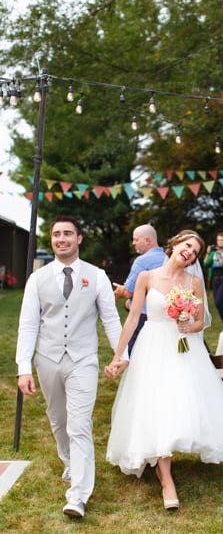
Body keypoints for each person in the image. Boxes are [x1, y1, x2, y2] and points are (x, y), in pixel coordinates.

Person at [104, 230, 223, 511]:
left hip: (182, 348)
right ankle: (166, 478)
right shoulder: (148, 277)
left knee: (177, 402)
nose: (190, 252)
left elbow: (199, 323)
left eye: (194, 251)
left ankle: (166, 458)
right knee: (154, 403)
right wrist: (118, 355)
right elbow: (133, 319)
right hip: (152, 346)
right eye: (187, 245)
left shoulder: (194, 282)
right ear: (174, 244)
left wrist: (186, 323)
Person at [15, 216, 126, 519]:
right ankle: (68, 459)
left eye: (67, 233)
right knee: (58, 419)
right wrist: (23, 367)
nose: (61, 238)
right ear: (51, 240)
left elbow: (111, 319)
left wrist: (121, 354)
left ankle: (77, 495)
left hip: (83, 360)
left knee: (79, 424)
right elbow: (27, 325)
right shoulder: (37, 279)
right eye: (56, 234)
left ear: (79, 239)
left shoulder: (98, 276)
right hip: (48, 359)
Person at [112, 224, 166, 353]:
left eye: (136, 239)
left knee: (133, 356)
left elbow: (129, 292)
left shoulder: (142, 261)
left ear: (147, 240)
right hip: (165, 318)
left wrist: (121, 291)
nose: (133, 243)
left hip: (143, 318)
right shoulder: (168, 258)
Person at [203, 232, 223, 323]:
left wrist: (221, 255)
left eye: (222, 240)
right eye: (218, 240)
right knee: (218, 304)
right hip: (215, 280)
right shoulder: (213, 253)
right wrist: (207, 253)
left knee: (219, 302)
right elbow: (205, 264)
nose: (219, 242)